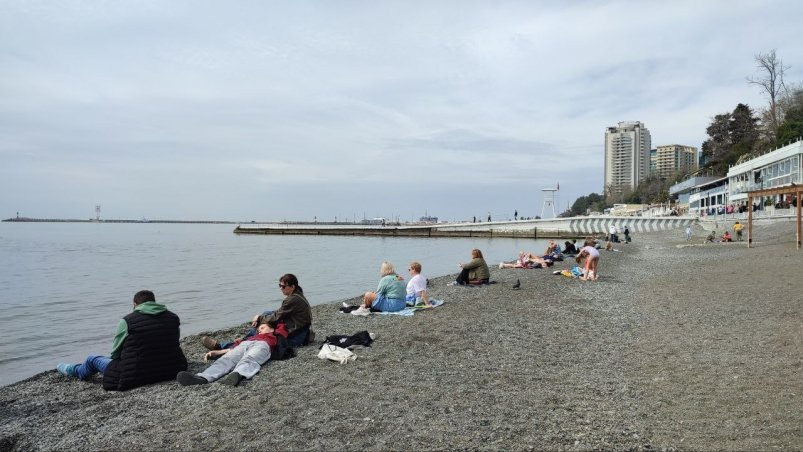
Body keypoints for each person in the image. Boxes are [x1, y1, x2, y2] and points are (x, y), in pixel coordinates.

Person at [56, 290, 187, 391]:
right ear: (154, 302)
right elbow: (174, 342)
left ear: (135, 305)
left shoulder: (127, 321)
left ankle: (72, 370)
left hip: (135, 374)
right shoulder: (173, 317)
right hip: (171, 368)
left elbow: (115, 354)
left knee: (92, 359)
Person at [203, 274, 313, 350]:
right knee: (266, 313)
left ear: (292, 286)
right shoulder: (297, 294)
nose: (281, 288)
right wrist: (262, 317)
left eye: (283, 286)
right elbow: (280, 313)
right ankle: (247, 336)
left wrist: (260, 318)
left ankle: (223, 346)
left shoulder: (292, 299)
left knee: (262, 334)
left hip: (296, 335)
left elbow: (277, 316)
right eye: (279, 285)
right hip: (300, 329)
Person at [177, 318, 288, 387]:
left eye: (262, 328)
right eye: (259, 329)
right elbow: (232, 349)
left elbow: (279, 319)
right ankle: (203, 378)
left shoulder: (277, 333)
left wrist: (259, 317)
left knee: (249, 360)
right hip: (244, 344)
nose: (259, 330)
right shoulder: (252, 337)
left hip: (262, 346)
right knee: (226, 359)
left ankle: (237, 375)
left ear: (272, 329)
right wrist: (217, 352)